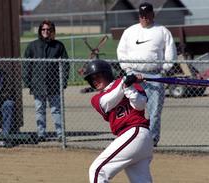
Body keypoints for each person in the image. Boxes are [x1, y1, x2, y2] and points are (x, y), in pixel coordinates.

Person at [117, 2, 177, 146]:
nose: (145, 18)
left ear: (152, 14)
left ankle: (152, 140)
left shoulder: (162, 31)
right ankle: (133, 137)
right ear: (139, 16)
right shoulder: (130, 31)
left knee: (154, 110)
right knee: (132, 108)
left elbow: (170, 53)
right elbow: (121, 51)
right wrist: (127, 69)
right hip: (133, 75)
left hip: (154, 76)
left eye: (148, 15)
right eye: (142, 16)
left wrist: (164, 69)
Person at [84, 59, 153, 183]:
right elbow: (107, 102)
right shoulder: (97, 98)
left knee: (98, 171)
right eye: (92, 79)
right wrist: (124, 84)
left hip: (135, 132)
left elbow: (140, 105)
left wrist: (128, 87)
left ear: (107, 74)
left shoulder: (129, 83)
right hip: (133, 138)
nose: (95, 81)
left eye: (98, 76)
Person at [23, 20, 70, 142]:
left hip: (54, 84)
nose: (46, 32)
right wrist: (28, 82)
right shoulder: (33, 46)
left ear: (52, 31)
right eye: (43, 29)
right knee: (40, 109)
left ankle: (60, 134)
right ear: (40, 31)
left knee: (56, 110)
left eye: (48, 29)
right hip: (38, 85)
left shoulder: (58, 46)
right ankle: (41, 134)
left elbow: (65, 65)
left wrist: (63, 81)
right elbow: (26, 65)